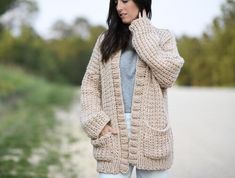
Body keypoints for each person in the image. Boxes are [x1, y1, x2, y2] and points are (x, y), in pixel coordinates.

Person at [80, 0, 184, 177]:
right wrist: (97, 122)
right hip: (112, 133)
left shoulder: (163, 37)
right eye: (116, 2)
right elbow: (90, 84)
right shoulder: (105, 41)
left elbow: (168, 76)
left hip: (152, 133)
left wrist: (142, 32)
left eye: (125, 1)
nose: (119, 7)